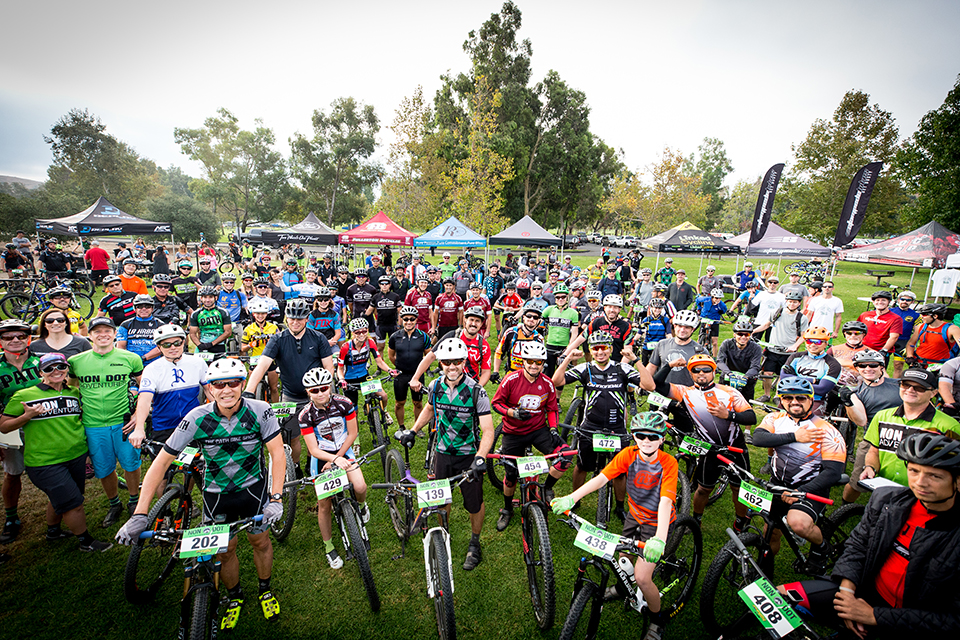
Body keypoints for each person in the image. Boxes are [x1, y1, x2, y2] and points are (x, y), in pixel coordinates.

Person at [117, 358, 285, 627]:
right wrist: (140, 513)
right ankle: (235, 596)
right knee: (225, 551)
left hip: (253, 491)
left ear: (243, 384)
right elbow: (161, 462)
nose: (226, 389)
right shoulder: (197, 418)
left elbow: (277, 454)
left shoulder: (260, 410)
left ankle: (264, 588)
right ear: (209, 389)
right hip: (216, 496)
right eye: (219, 384)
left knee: (261, 542)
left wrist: (275, 498)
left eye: (233, 383)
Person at [779, 432, 960, 640]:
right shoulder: (886, 500)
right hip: (860, 593)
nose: (920, 482)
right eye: (914, 470)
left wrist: (874, 616)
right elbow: (857, 546)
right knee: (773, 597)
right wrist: (847, 595)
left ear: (957, 481)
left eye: (934, 476)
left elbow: (953, 619)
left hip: (910, 621)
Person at [551, 411, 678, 640]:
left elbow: (666, 500)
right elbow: (602, 478)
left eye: (653, 437)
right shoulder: (628, 454)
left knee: (641, 577)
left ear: (662, 438)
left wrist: (659, 537)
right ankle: (621, 589)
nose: (646, 441)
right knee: (623, 558)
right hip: (634, 516)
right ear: (634, 436)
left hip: (656, 522)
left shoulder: (669, 463)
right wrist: (572, 497)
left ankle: (658, 619)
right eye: (641, 436)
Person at [0, 352, 112, 552]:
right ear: (40, 372)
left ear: (67, 369)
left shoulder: (74, 393)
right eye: (49, 368)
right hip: (45, 461)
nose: (56, 371)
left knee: (65, 496)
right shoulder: (25, 395)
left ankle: (53, 531)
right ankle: (85, 542)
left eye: (60, 366)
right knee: (73, 503)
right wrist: (26, 416)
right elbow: (4, 426)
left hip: (76, 456)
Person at [398, 338, 494, 571]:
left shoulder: (476, 391)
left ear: (464, 362)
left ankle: (475, 542)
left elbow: (488, 430)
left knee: (474, 504)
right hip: (442, 453)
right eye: (446, 362)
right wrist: (413, 430)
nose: (452, 367)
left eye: (457, 362)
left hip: (468, 455)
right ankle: (444, 533)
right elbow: (430, 409)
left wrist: (480, 457)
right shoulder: (435, 386)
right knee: (441, 501)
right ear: (440, 363)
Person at [751, 377, 847, 575]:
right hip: (778, 484)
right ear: (781, 400)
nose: (794, 402)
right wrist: (794, 437)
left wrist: (800, 492)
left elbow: (833, 471)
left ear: (811, 400)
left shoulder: (827, 430)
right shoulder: (774, 419)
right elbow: (759, 438)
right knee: (770, 531)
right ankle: (764, 569)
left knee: (798, 523)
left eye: (801, 398)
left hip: (810, 487)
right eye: (788, 397)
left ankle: (822, 549)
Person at [652, 353, 755, 530]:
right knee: (703, 489)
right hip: (711, 450)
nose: (701, 373)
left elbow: (751, 417)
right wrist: (669, 365)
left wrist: (728, 415)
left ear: (714, 372)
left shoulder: (729, 392)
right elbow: (657, 384)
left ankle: (740, 522)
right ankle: (696, 520)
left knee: (738, 489)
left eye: (706, 370)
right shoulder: (685, 393)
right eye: (696, 370)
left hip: (736, 449)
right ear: (690, 374)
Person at [553, 330, 646, 519]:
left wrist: (636, 360)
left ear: (611, 349)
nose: (600, 352)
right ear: (591, 350)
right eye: (595, 348)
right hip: (590, 427)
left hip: (617, 428)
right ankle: (575, 499)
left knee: (620, 471)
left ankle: (620, 506)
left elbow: (649, 385)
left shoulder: (622, 369)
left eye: (604, 347)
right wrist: (568, 358)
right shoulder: (585, 368)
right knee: (582, 466)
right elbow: (556, 381)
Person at [68, 317, 144, 525]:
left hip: (123, 421)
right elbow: (71, 388)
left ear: (114, 334)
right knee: (103, 468)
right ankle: (114, 504)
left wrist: (139, 414)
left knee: (131, 464)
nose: (103, 335)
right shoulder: (77, 361)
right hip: (93, 424)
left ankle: (134, 501)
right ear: (89, 335)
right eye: (97, 331)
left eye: (107, 331)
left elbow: (145, 387)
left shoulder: (131, 358)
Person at [491, 341, 571, 530]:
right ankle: (507, 508)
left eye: (538, 362)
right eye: (530, 361)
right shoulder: (511, 379)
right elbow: (496, 403)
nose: (534, 365)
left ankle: (547, 488)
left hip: (538, 430)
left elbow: (551, 409)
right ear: (522, 361)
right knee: (511, 474)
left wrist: (553, 429)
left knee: (565, 457)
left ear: (543, 363)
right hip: (513, 432)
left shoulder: (548, 383)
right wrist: (512, 413)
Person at [298, 367, 372, 569]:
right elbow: (313, 449)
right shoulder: (305, 415)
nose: (320, 393)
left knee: (360, 487)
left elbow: (352, 433)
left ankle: (363, 506)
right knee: (324, 505)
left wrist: (337, 458)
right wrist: (331, 460)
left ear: (330, 387)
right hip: (321, 457)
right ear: (308, 392)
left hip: (343, 451)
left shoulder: (344, 403)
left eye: (324, 388)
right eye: (314, 390)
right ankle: (329, 546)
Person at [860, 368, 960, 488]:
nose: (910, 390)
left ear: (933, 393)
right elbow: (874, 450)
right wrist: (870, 467)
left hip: (923, 494)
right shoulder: (882, 416)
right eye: (905, 385)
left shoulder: (949, 425)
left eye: (919, 388)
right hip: (883, 489)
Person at [837, 349, 902, 504]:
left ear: (882, 367)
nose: (868, 369)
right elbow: (860, 421)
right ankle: (845, 509)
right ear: (857, 368)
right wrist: (848, 403)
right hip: (873, 441)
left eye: (873, 365)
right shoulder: (857, 393)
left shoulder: (899, 385)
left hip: (902, 438)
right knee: (857, 483)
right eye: (862, 365)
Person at [0, 320, 42, 545]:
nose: (15, 340)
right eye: (8, 337)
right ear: (1, 341)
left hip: (43, 423)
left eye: (20, 336)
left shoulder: (41, 360)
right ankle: (11, 517)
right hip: (9, 425)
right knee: (12, 472)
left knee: (51, 467)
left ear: (28, 338)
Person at [411, 306, 492, 390]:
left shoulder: (483, 345)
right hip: (449, 384)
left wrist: (478, 388)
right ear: (465, 320)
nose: (473, 324)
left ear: (482, 324)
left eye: (477, 321)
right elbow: (431, 356)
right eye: (471, 320)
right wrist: (415, 378)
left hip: (470, 386)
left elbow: (486, 371)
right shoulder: (452, 336)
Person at [752, 290, 809, 402]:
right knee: (767, 373)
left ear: (799, 304)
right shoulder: (776, 313)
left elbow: (804, 336)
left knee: (782, 374)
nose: (792, 304)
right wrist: (752, 331)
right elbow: (766, 325)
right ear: (786, 301)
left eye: (795, 302)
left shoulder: (802, 318)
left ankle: (778, 395)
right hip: (772, 349)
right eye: (790, 301)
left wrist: (795, 346)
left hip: (787, 352)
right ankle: (766, 395)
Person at [336, 318, 395, 420]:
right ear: (353, 333)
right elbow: (340, 369)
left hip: (364, 376)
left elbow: (379, 361)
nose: (361, 334)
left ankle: (384, 412)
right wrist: (341, 379)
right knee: (353, 411)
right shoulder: (346, 347)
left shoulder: (370, 342)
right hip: (349, 379)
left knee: (383, 396)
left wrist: (390, 370)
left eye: (364, 331)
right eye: (357, 332)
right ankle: (355, 434)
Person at [780, 326, 841, 417]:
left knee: (812, 424)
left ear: (826, 343)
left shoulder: (833, 364)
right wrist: (814, 381)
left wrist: (794, 380)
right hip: (790, 396)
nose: (812, 345)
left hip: (815, 399)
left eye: (818, 342)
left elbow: (822, 389)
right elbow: (783, 378)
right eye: (809, 341)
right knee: (778, 421)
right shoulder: (795, 357)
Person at [387, 307, 432, 427]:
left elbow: (429, 356)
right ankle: (401, 426)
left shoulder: (424, 336)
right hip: (401, 375)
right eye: (406, 319)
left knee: (417, 402)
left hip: (417, 375)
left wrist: (421, 370)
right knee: (399, 403)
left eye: (412, 319)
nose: (409, 322)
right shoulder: (394, 337)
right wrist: (399, 366)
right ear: (401, 320)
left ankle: (417, 427)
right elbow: (391, 356)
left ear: (416, 320)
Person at [716, 318, 763, 403]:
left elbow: (755, 366)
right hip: (728, 376)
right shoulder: (726, 344)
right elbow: (720, 361)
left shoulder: (756, 348)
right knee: (722, 402)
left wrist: (746, 377)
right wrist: (729, 373)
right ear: (734, 334)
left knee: (745, 406)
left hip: (747, 379)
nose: (743, 337)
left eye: (747, 334)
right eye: (740, 334)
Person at [494, 306, 546, 377]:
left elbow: (541, 361)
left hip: (529, 376)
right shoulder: (511, 332)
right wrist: (496, 371)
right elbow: (499, 352)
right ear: (523, 317)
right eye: (529, 316)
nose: (531, 319)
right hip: (511, 374)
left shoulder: (539, 338)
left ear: (538, 321)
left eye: (535, 317)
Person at [541, 284, 579, 377]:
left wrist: (569, 347)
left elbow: (575, 333)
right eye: (557, 297)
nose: (560, 299)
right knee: (548, 374)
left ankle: (557, 392)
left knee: (560, 375)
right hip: (550, 345)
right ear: (554, 298)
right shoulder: (549, 310)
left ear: (567, 297)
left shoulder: (573, 313)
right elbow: (537, 323)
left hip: (564, 347)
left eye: (563, 297)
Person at [117, 294, 164, 364]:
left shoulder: (160, 325)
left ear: (152, 308)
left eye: (147, 306)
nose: (144, 309)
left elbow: (163, 347)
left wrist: (143, 358)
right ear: (134, 308)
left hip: (155, 363)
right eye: (140, 306)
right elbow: (120, 348)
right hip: (131, 363)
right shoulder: (126, 325)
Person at [859, 290, 902, 362]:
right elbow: (857, 331)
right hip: (862, 349)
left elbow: (894, 337)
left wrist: (884, 350)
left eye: (883, 300)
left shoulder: (895, 318)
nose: (880, 302)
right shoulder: (865, 315)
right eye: (877, 300)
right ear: (873, 302)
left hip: (880, 351)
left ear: (889, 302)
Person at [190, 286, 233, 356]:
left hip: (219, 345)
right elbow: (192, 333)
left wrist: (212, 344)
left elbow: (228, 332)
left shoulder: (223, 312)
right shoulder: (195, 314)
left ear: (215, 298)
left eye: (210, 297)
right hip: (202, 345)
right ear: (201, 298)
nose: (207, 300)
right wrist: (199, 345)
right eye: (205, 297)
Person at [827, 320, 871, 388]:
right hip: (835, 385)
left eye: (857, 333)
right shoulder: (833, 350)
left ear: (864, 334)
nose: (853, 336)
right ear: (845, 334)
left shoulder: (871, 352)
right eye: (849, 333)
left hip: (860, 387)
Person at [890, 290, 921, 378]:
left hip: (903, 341)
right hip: (888, 340)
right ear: (898, 300)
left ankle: (895, 386)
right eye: (902, 299)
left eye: (908, 300)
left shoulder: (915, 315)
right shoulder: (889, 311)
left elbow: (917, 330)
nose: (904, 301)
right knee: (881, 363)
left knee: (898, 365)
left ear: (912, 302)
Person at [368, 275, 401, 347]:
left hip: (393, 325)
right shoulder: (376, 297)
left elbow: (400, 312)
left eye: (386, 284)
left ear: (390, 284)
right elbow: (370, 310)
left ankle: (394, 358)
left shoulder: (395, 296)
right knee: (380, 346)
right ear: (379, 285)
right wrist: (363, 314)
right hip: (381, 325)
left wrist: (399, 324)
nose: (384, 285)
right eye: (382, 284)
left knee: (395, 346)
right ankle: (380, 359)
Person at [695, 288, 728, 357]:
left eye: (720, 298)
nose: (718, 300)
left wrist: (721, 312)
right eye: (716, 298)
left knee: (714, 342)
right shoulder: (706, 299)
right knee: (699, 337)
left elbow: (724, 310)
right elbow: (697, 300)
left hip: (714, 321)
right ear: (712, 297)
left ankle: (715, 358)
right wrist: (699, 308)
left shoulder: (722, 305)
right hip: (704, 319)